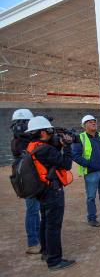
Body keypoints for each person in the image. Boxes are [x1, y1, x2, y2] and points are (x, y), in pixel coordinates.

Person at [25, 116, 75, 270]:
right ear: (42, 132)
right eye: (48, 130)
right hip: (52, 191)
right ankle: (54, 261)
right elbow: (66, 164)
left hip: (42, 190)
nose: (51, 132)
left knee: (45, 222)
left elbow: (48, 163)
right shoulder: (45, 149)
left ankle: (46, 252)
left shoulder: (32, 146)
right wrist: (67, 146)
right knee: (53, 226)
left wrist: (58, 146)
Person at [10, 109, 41, 255]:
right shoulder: (19, 142)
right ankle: (33, 242)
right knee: (33, 210)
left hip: (34, 178)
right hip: (28, 180)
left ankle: (38, 238)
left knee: (36, 210)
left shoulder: (23, 140)